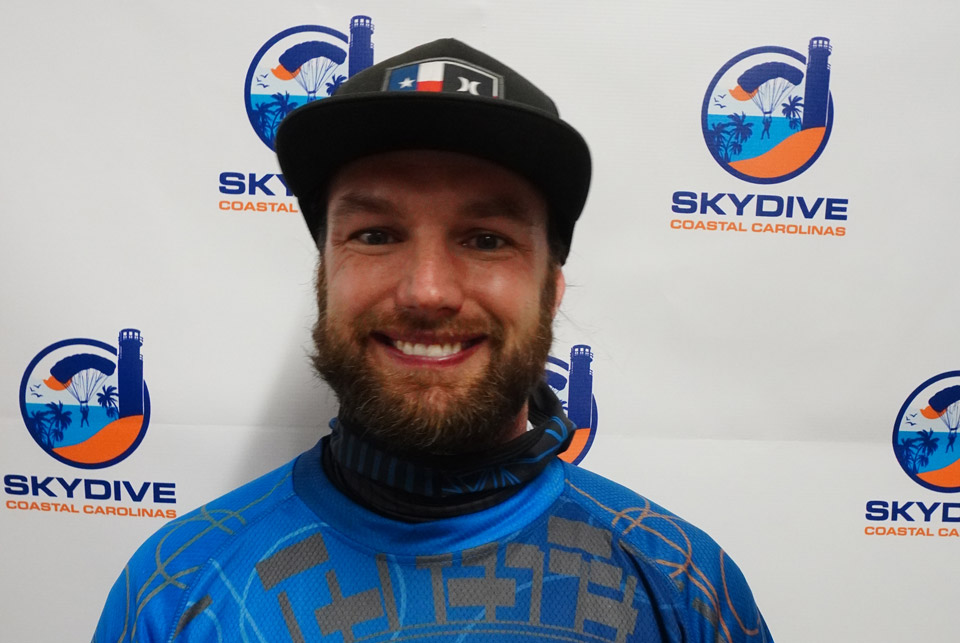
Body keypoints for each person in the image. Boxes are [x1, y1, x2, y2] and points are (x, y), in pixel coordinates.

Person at [93, 39, 773, 642]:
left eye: (486, 239)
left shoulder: (684, 587)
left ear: (551, 289)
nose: (427, 290)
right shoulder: (178, 589)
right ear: (325, 276)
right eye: (376, 234)